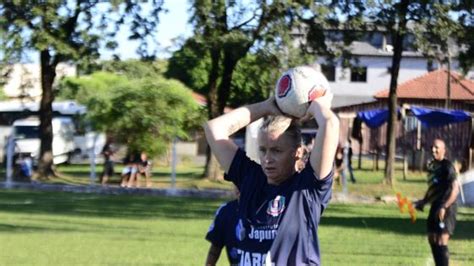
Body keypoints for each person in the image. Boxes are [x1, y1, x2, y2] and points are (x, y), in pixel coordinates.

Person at [203, 91, 339, 265]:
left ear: (297, 152)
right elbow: (213, 129)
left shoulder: (307, 187)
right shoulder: (250, 178)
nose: (267, 158)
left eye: (276, 151)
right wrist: (266, 106)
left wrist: (313, 105)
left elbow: (330, 124)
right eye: (263, 150)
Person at [414, 139, 460, 266]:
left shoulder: (447, 166)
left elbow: (455, 189)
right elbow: (432, 188)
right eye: (432, 147)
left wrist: (445, 206)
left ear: (443, 150)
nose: (433, 150)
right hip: (435, 205)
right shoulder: (432, 166)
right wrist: (423, 201)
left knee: (441, 240)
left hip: (447, 207)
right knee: (432, 238)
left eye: (436, 147)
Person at [205, 187, 241, 266]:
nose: (239, 187)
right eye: (236, 183)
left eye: (243, 183)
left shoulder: (269, 210)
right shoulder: (225, 211)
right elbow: (215, 248)